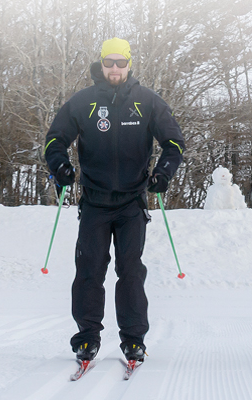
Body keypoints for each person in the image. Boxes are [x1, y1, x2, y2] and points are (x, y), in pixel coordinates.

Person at [43, 38, 185, 364]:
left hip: (131, 203)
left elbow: (174, 142)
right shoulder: (84, 102)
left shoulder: (147, 101)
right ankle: (87, 339)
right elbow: (54, 139)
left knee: (131, 271)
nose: (115, 69)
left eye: (121, 63)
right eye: (109, 63)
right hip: (94, 201)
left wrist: (163, 173)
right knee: (90, 270)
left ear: (130, 64)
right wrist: (60, 166)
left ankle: (133, 340)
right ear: (101, 64)